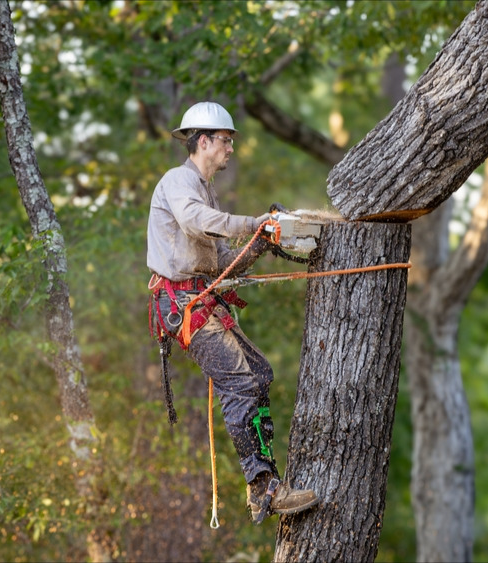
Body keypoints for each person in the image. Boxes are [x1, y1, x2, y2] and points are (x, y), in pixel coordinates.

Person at [146, 101, 319, 524]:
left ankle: (265, 484)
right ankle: (264, 489)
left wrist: (262, 242)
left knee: (259, 373)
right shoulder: (178, 183)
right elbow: (193, 222)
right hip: (184, 304)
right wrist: (252, 222)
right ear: (203, 141)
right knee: (241, 382)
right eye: (226, 141)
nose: (230, 149)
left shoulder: (205, 191)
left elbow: (225, 258)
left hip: (202, 300)